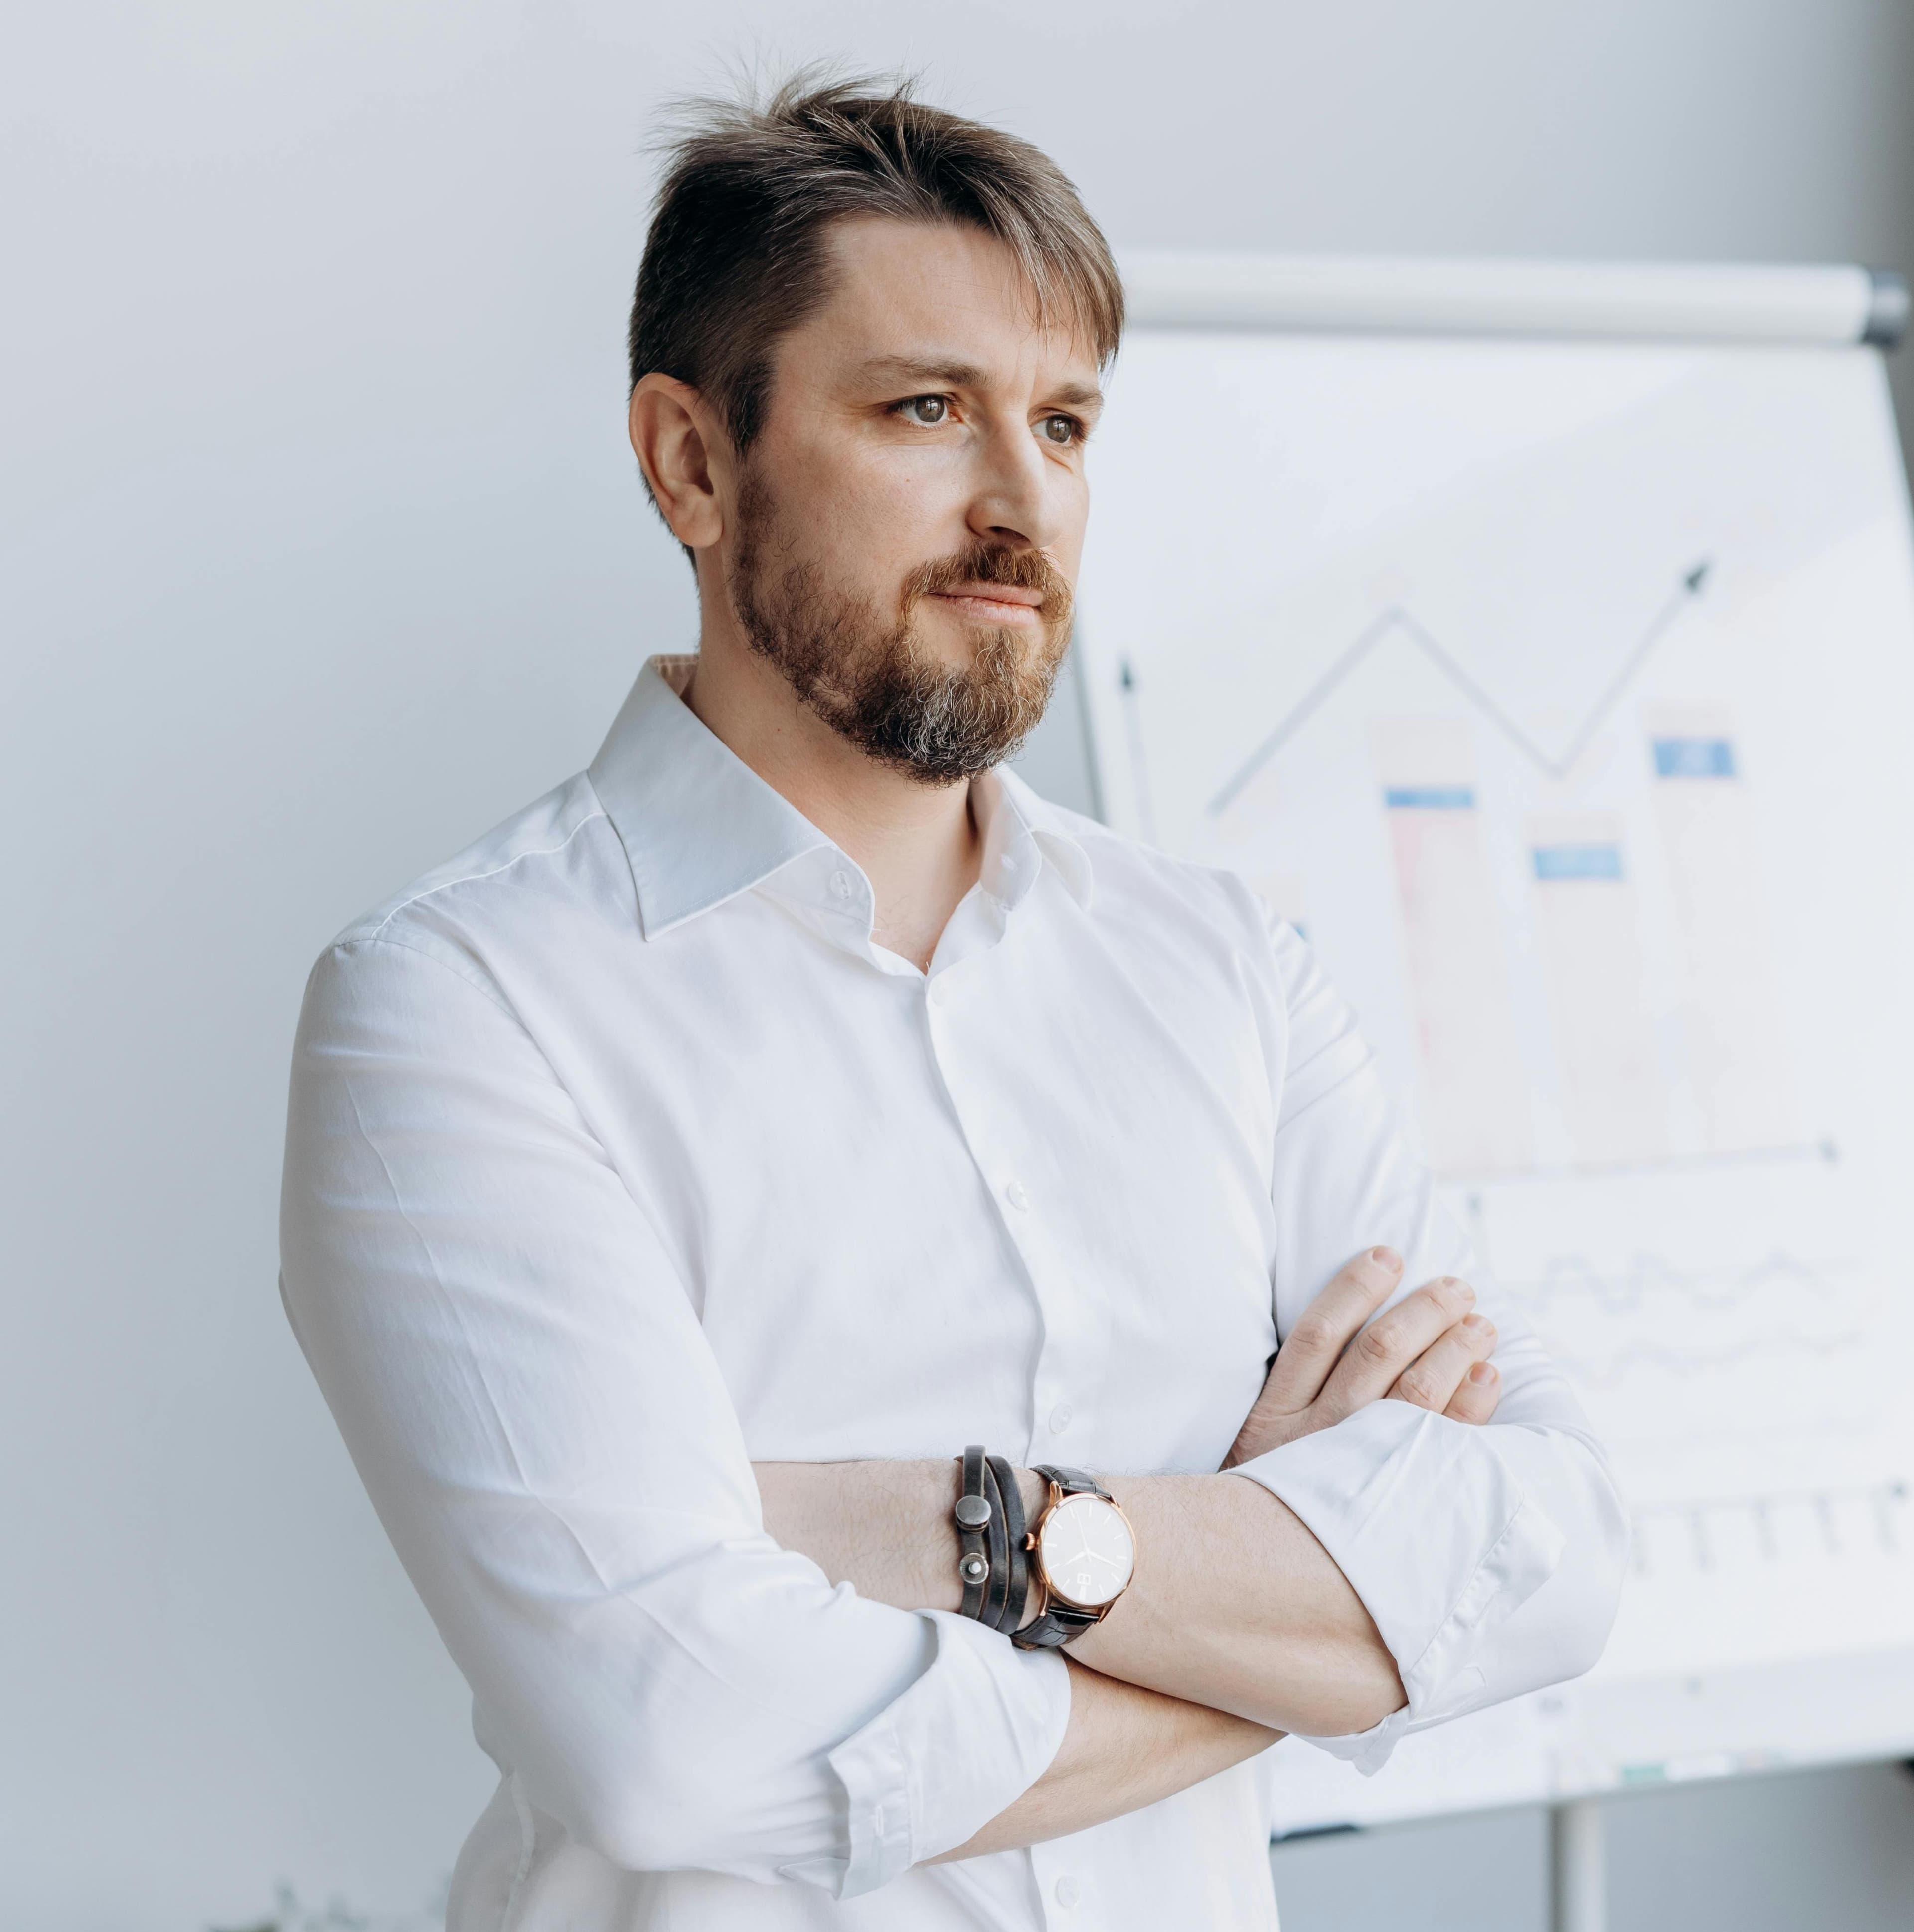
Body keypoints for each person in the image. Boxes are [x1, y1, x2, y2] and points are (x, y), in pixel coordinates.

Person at [280, 74, 1627, 1932]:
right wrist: (1307, 1615)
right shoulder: (456, 1008)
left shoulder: (1229, 970)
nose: (1022, 507)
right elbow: (682, 1745)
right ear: (689, 462)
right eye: (927, 410)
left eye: (1063, 424)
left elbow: (1549, 1553)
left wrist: (968, 1536)